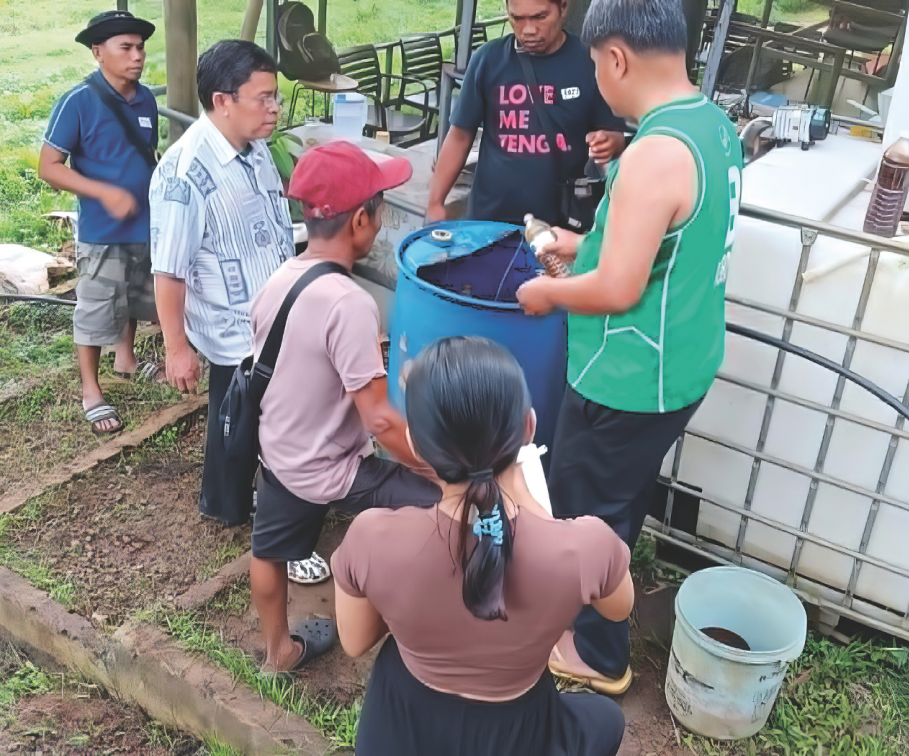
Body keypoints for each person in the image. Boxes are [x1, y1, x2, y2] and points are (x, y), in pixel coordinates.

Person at [516, 0, 744, 694]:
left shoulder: (652, 154)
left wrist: (548, 292)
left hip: (629, 373)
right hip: (683, 362)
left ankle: (599, 654)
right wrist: (576, 243)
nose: (594, 75)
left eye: (593, 62)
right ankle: (596, 613)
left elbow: (617, 288)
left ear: (616, 58)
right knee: (620, 494)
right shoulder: (711, 127)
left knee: (591, 510)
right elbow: (655, 252)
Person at [331, 336, 633, 756]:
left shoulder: (372, 537)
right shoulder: (584, 549)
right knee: (605, 719)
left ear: (417, 447)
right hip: (518, 729)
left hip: (404, 725)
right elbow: (618, 608)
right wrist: (532, 508)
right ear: (529, 427)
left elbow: (355, 640)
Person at [249, 141, 442, 673]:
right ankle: (420, 624)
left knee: (267, 552)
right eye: (378, 210)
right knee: (441, 505)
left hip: (279, 455)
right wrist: (439, 470)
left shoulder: (280, 279)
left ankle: (277, 653)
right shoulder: (351, 303)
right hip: (331, 467)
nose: (379, 223)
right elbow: (380, 420)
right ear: (361, 219)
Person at [150, 40, 294, 527]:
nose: (274, 108)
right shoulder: (185, 173)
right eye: (264, 98)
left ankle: (229, 502)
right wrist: (176, 347)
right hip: (234, 330)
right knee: (250, 422)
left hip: (272, 318)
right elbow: (168, 269)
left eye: (277, 97)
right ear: (222, 101)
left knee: (244, 422)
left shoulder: (253, 149)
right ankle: (271, 519)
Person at [38, 10, 160, 434]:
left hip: (144, 226)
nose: (137, 56)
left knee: (133, 297)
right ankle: (91, 389)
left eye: (140, 47)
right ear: (97, 52)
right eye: (125, 48)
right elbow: (49, 166)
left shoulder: (146, 99)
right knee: (95, 308)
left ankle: (125, 360)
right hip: (102, 231)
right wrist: (105, 192)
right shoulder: (78, 101)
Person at [427, 0, 627, 228]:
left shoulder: (591, 63)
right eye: (517, 18)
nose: (528, 30)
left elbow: (615, 135)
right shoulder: (487, 60)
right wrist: (435, 201)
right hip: (488, 221)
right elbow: (460, 136)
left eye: (539, 17)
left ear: (563, 8)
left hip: (559, 227)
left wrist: (610, 143)